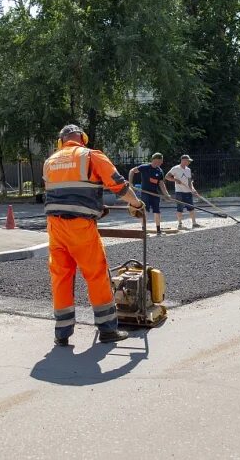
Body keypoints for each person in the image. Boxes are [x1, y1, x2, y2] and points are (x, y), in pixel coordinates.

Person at [43, 124, 144, 346]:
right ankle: (107, 329)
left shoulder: (50, 162)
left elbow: (65, 194)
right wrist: (136, 204)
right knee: (96, 274)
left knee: (61, 278)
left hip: (55, 228)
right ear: (83, 138)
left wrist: (96, 208)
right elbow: (118, 186)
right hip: (80, 228)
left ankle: (62, 334)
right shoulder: (90, 156)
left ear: (60, 142)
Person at [129, 153, 170, 234]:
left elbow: (161, 184)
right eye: (160, 161)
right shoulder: (145, 167)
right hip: (145, 193)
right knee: (144, 211)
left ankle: (158, 230)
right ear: (156, 160)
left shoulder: (159, 171)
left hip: (155, 194)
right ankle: (144, 229)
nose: (161, 163)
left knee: (157, 211)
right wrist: (130, 183)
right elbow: (132, 171)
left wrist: (166, 194)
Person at [166, 155, 201, 230]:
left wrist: (193, 190)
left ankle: (194, 223)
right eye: (188, 161)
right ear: (183, 160)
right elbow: (167, 177)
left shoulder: (188, 169)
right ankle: (180, 224)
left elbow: (189, 181)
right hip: (179, 192)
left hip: (188, 191)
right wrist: (175, 180)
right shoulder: (175, 168)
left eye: (189, 161)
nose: (189, 162)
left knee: (191, 208)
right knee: (180, 208)